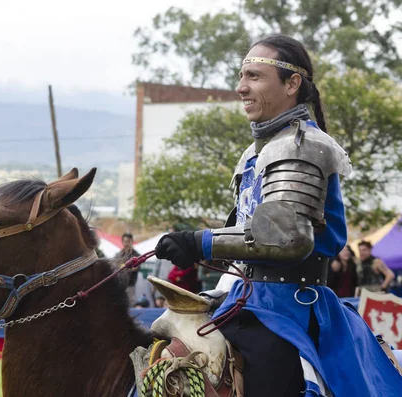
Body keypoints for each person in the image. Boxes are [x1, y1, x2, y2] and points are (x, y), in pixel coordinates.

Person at [155, 33, 402, 396]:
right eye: (241, 77)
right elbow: (244, 233)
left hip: (291, 310)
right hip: (245, 298)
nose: (241, 88)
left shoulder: (302, 145)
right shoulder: (256, 153)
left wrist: (200, 241)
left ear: (292, 83)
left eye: (254, 76)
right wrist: (191, 242)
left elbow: (286, 238)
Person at [114, 232, 140, 305]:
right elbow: (115, 266)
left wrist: (124, 268)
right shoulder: (119, 254)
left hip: (130, 284)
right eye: (125, 241)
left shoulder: (136, 255)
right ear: (122, 242)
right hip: (119, 284)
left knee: (130, 303)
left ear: (132, 241)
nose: (126, 244)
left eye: (128, 241)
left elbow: (135, 268)